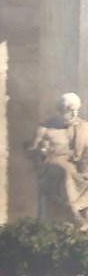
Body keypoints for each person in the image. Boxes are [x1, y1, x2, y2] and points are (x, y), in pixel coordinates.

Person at [28, 92, 88, 227]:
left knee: (75, 172)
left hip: (76, 164)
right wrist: (41, 150)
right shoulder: (45, 128)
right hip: (52, 164)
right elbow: (32, 151)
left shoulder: (84, 127)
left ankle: (80, 211)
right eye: (70, 111)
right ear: (61, 111)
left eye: (76, 111)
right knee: (64, 170)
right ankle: (74, 213)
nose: (74, 115)